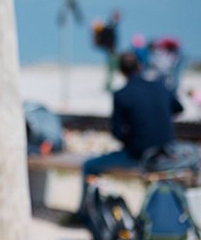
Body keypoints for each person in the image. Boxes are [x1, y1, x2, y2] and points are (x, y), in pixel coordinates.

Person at [76, 51, 183, 218]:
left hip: (140, 157)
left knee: (89, 166)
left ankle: (85, 214)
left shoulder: (122, 95)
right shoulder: (160, 86)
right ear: (140, 66)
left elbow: (117, 132)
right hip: (168, 152)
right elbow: (179, 108)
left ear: (120, 71)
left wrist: (134, 139)